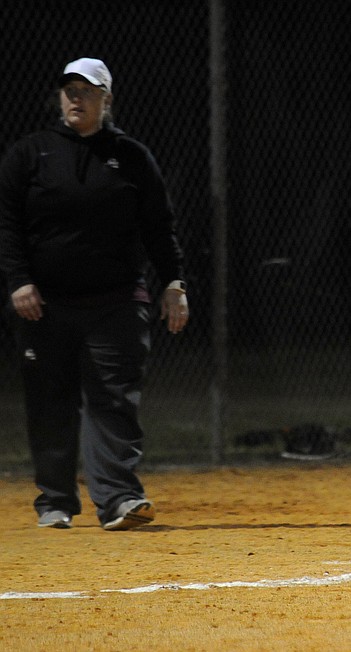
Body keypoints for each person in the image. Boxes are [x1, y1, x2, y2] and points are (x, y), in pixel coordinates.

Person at [0, 58, 189, 530]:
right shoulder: (30, 154)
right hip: (44, 304)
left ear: (107, 100)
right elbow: (7, 224)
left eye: (87, 90)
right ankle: (55, 502)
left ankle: (119, 499)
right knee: (50, 401)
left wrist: (174, 284)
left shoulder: (131, 157)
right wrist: (19, 280)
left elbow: (159, 229)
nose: (76, 98)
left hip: (116, 301)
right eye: (69, 90)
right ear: (59, 97)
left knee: (113, 398)